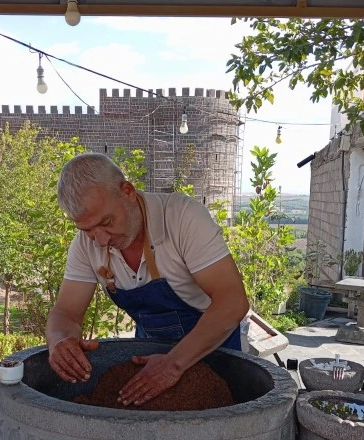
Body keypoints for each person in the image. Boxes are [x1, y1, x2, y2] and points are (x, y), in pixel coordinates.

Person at [45, 152, 249, 407]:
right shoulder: (86, 245)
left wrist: (173, 364)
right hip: (150, 359)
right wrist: (60, 340)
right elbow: (66, 312)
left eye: (107, 222)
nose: (101, 240)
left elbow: (233, 302)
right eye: (87, 230)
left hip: (215, 351)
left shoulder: (183, 218)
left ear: (128, 192)